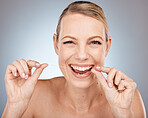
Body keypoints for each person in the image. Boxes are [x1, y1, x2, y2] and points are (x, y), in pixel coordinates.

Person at [2, 1, 146, 118]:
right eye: (69, 42)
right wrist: (15, 107)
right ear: (56, 45)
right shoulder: (34, 96)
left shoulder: (128, 98)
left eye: (94, 42)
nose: (82, 55)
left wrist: (124, 114)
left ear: (107, 46)